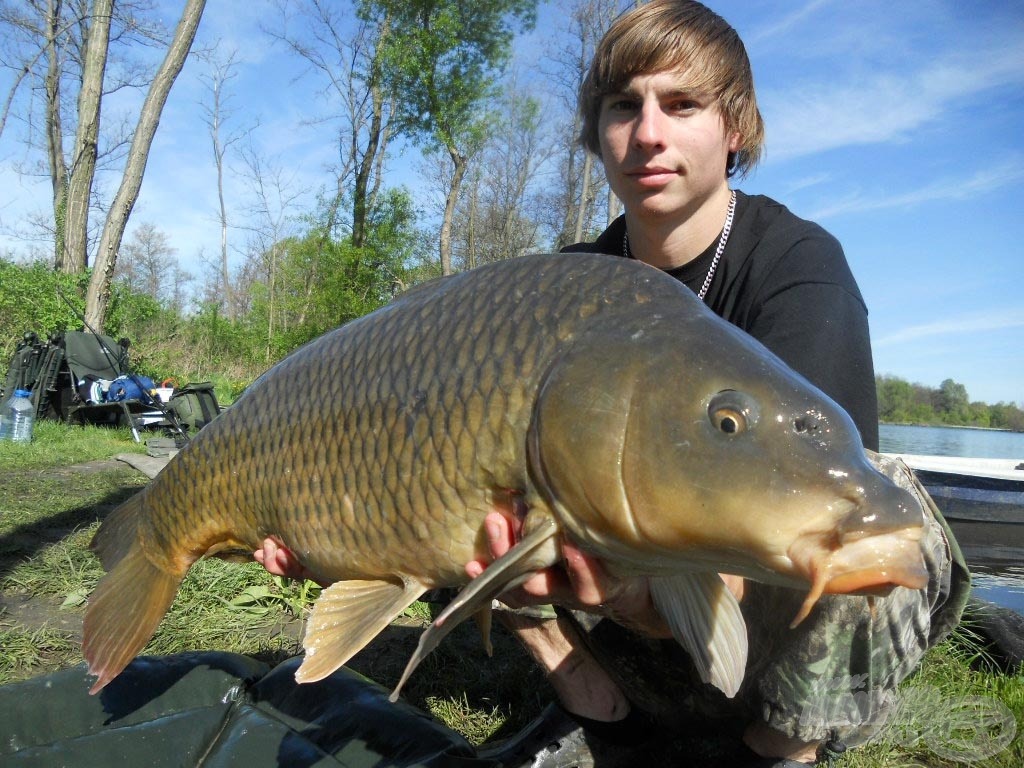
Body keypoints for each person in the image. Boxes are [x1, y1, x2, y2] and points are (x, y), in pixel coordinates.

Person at [258, 2, 968, 765]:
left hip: (764, 626)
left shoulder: (796, 267)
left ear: (735, 130)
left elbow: (778, 541)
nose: (650, 132)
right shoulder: (566, 286)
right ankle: (605, 719)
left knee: (879, 504)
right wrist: (325, 521)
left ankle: (776, 750)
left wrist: (638, 594)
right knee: (467, 471)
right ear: (597, 135)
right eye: (624, 106)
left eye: (683, 104)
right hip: (609, 611)